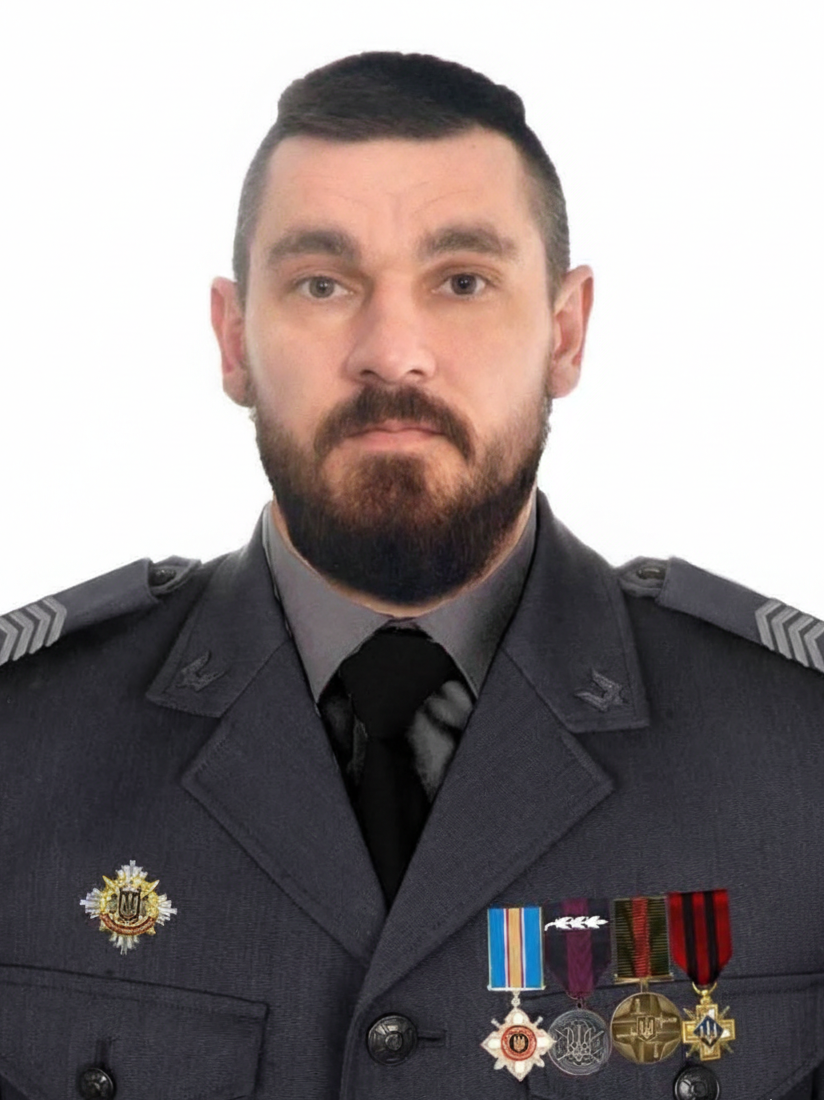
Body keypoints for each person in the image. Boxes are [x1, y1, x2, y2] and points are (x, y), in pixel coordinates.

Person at [1, 51, 822, 1100]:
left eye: (462, 281)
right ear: (234, 339)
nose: (392, 353)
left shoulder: (797, 753)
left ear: (564, 332)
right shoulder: (24, 741)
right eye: (322, 283)